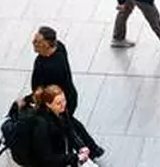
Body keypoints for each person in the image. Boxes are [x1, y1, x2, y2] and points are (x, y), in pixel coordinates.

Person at [30, 28, 105, 158]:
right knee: (71, 122)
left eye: (37, 41)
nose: (33, 42)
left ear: (47, 44)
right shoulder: (59, 48)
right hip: (67, 96)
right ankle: (93, 149)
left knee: (67, 126)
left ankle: (85, 151)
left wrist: (30, 99)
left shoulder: (49, 67)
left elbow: (43, 91)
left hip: (58, 101)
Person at [28, 85, 92, 165]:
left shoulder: (62, 111)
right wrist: (75, 158)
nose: (63, 105)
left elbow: (69, 131)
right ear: (48, 104)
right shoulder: (41, 124)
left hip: (64, 157)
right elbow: (46, 158)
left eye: (64, 100)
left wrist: (81, 146)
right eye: (58, 103)